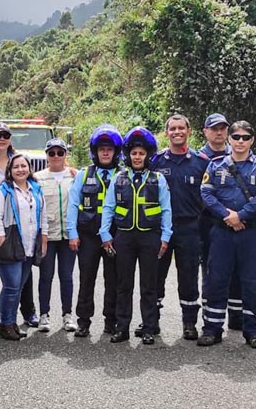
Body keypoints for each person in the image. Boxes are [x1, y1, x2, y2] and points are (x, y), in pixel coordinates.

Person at [199, 120, 256, 348]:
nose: (241, 141)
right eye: (236, 137)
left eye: (245, 137)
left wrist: (240, 216)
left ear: (252, 140)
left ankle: (254, 331)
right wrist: (227, 216)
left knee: (252, 281)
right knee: (216, 279)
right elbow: (206, 194)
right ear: (229, 139)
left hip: (250, 233)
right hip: (221, 232)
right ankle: (212, 329)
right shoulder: (216, 165)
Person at [100, 127, 172, 345]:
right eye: (134, 153)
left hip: (150, 237)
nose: (137, 157)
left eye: (141, 153)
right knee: (123, 285)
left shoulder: (158, 179)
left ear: (148, 155)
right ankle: (122, 328)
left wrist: (165, 236)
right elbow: (108, 207)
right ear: (128, 155)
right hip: (124, 237)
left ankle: (149, 328)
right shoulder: (119, 178)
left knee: (149, 286)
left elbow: (166, 209)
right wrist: (105, 233)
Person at [151, 115, 210, 340]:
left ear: (189, 131)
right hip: (161, 229)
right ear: (166, 132)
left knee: (188, 277)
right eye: (173, 128)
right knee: (155, 275)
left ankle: (189, 323)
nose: (177, 132)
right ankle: (151, 320)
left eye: (181, 128)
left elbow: (210, 194)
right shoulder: (156, 162)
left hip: (190, 228)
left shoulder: (201, 162)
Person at [67, 125, 124, 338]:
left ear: (116, 152)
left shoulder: (123, 175)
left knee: (113, 280)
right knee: (86, 279)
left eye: (109, 149)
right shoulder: (84, 174)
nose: (105, 153)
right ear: (95, 152)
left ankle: (111, 321)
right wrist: (72, 233)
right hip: (88, 236)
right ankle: (83, 322)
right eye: (102, 149)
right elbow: (73, 204)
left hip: (114, 237)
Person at [0, 122, 38, 328]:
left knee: (23, 270)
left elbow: (34, 180)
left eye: (5, 135)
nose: (1, 138)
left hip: (19, 224)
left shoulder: (18, 161)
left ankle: (28, 311)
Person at [0, 153, 47, 341]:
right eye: (16, 167)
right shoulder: (2, 192)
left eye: (23, 166)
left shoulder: (36, 189)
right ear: (10, 170)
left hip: (29, 245)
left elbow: (43, 217)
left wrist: (43, 240)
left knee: (19, 287)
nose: (20, 170)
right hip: (10, 245)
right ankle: (5, 324)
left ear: (29, 168)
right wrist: (3, 242)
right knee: (11, 286)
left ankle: (12, 322)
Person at [197, 112, 243, 333]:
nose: (218, 132)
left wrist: (239, 217)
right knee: (211, 271)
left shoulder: (239, 154)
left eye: (222, 128)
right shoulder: (198, 159)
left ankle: (236, 316)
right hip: (209, 223)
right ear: (205, 132)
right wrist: (225, 215)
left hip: (240, 223)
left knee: (237, 270)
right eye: (214, 128)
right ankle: (211, 318)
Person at [32, 138, 78, 332]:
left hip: (68, 235)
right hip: (47, 236)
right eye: (52, 153)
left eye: (60, 152)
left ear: (65, 155)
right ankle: (44, 315)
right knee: (46, 276)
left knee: (66, 276)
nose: (56, 156)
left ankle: (68, 315)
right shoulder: (38, 178)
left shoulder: (75, 176)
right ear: (47, 156)